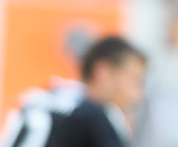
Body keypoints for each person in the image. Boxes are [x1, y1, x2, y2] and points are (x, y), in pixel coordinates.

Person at [2, 36, 147, 147]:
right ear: (103, 72)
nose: (138, 95)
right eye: (134, 80)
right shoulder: (95, 117)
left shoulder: (44, 96)